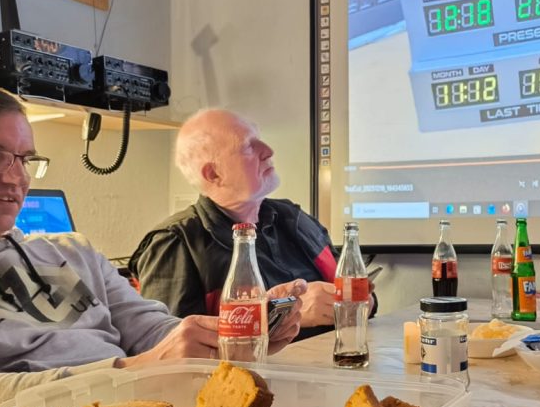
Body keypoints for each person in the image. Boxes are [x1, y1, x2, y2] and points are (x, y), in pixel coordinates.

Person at [0, 83, 304, 407]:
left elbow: (152, 331)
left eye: (24, 159)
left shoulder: (74, 251)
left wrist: (232, 340)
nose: (16, 177)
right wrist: (132, 374)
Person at [129, 109, 372, 340]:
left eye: (259, 140)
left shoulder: (293, 218)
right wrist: (285, 312)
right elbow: (172, 346)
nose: (268, 151)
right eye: (247, 146)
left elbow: (356, 290)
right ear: (213, 174)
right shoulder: (176, 242)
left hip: (340, 359)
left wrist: (362, 302)